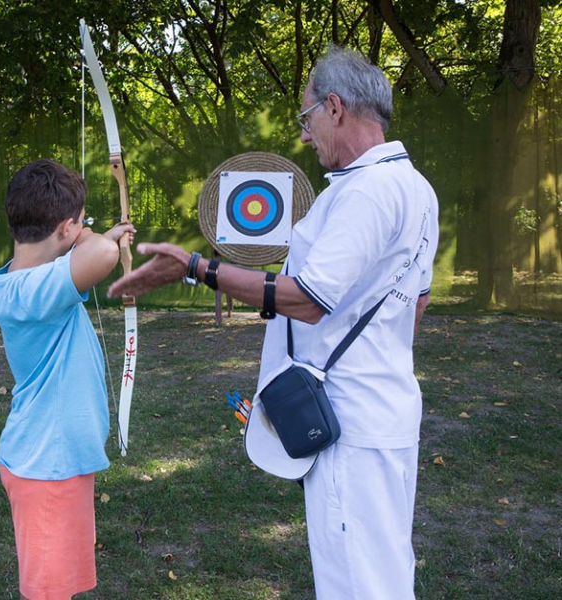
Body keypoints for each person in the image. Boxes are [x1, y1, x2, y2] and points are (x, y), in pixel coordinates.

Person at [108, 45, 438, 600]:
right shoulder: (414, 186)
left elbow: (308, 299)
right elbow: (417, 303)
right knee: (382, 572)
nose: (305, 136)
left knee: (358, 584)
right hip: (381, 408)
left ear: (335, 108)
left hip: (349, 424)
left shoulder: (368, 192)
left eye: (307, 119)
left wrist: (195, 268)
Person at [0, 158, 135, 600]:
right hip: (47, 466)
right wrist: (94, 237)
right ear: (65, 228)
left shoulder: (25, 281)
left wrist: (87, 232)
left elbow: (88, 255)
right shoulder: (29, 292)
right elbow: (102, 255)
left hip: (55, 462)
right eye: (79, 222)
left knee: (60, 587)